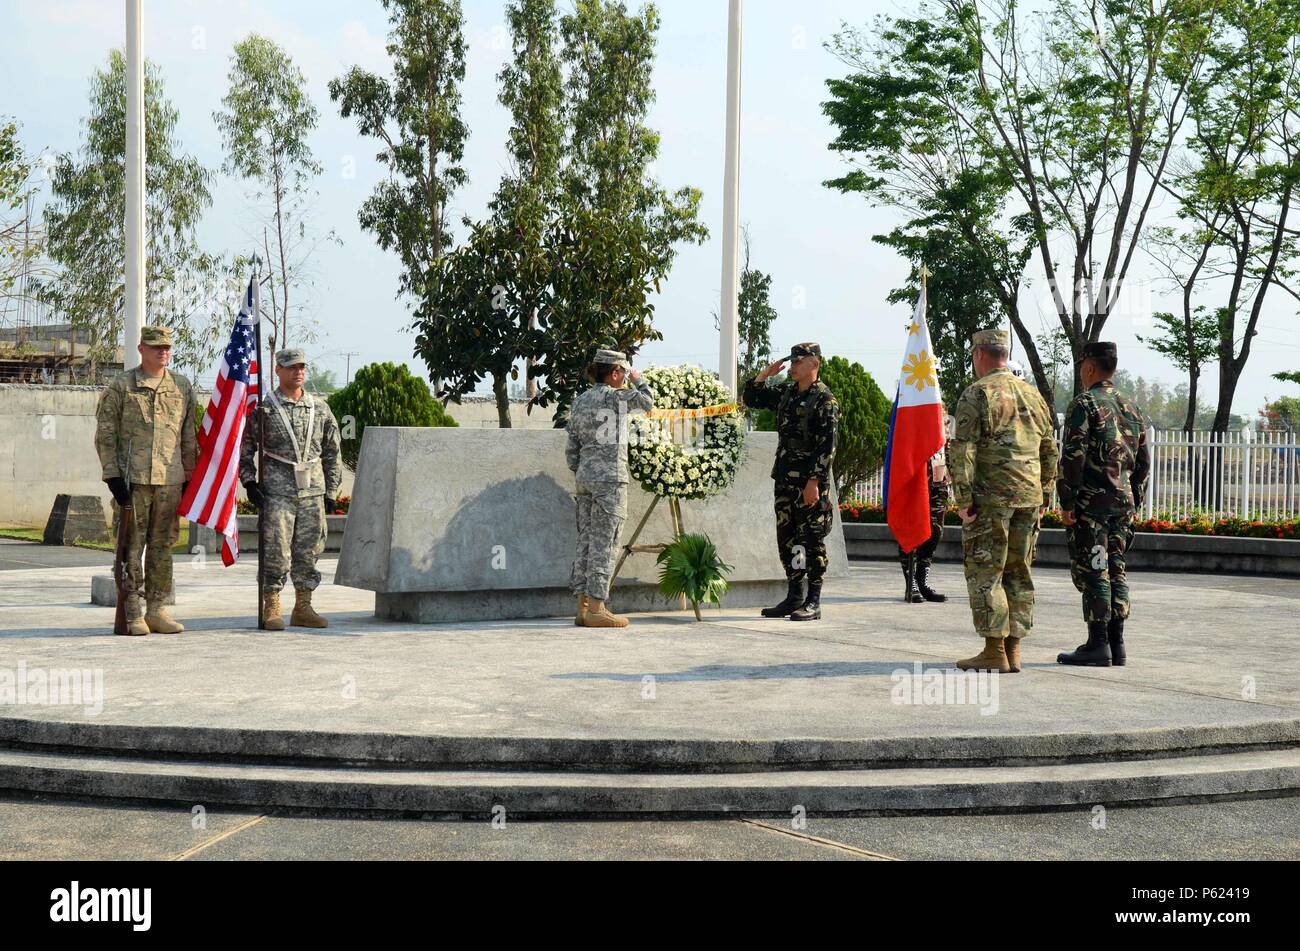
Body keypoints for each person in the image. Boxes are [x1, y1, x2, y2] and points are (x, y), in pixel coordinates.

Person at [948, 329, 1057, 672]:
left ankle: (994, 649)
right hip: (1029, 496)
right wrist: (1046, 493)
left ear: (980, 354)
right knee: (1019, 571)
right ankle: (1014, 650)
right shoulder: (1033, 395)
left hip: (991, 498)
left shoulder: (976, 394)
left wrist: (963, 497)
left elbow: (962, 449)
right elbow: (1049, 448)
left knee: (986, 571)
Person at [94, 325, 197, 636]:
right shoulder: (122, 387)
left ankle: (156, 609)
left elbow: (188, 437)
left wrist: (189, 477)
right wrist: (112, 476)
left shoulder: (181, 386)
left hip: (170, 480)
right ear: (141, 349)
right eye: (156, 347)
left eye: (167, 347)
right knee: (131, 547)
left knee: (162, 547)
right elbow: (105, 435)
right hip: (134, 481)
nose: (163, 351)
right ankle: (132, 609)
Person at [1056, 342, 1151, 667]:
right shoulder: (1132, 407)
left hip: (1092, 504)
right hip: (1122, 504)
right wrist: (1134, 496)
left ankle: (1098, 644)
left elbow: (1073, 455)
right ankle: (1117, 643)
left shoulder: (1084, 403)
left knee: (1096, 568)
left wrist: (1068, 499)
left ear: (1090, 368)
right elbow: (1143, 462)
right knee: (1116, 568)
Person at [239, 348, 343, 630]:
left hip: (312, 492)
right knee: (276, 550)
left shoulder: (319, 408)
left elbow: (333, 452)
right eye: (290, 367)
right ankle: (271, 603)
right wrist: (249, 482)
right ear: (278, 370)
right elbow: (245, 448)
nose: (297, 371)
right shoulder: (265, 408)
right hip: (278, 493)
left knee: (309, 550)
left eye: (301, 367)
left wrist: (331, 492)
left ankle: (304, 605)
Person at [742, 343, 840, 622]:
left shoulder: (825, 400)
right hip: (785, 478)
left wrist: (814, 481)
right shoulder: (787, 393)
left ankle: (814, 600)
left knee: (812, 540)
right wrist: (764, 375)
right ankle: (795, 594)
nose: (794, 366)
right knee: (789, 540)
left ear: (815, 364)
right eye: (792, 361)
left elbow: (828, 446)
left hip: (809, 482)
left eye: (800, 361)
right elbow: (752, 398)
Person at [566, 349, 655, 628]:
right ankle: (597, 608)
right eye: (624, 372)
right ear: (615, 372)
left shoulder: (580, 401)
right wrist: (639, 380)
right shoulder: (617, 397)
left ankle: (582, 607)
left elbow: (571, 449)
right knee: (606, 543)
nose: (625, 376)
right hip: (610, 481)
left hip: (585, 479)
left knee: (586, 541)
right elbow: (647, 402)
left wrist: (583, 470)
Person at [899, 451, 951, 604]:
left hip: (938, 469)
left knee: (936, 531)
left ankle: (921, 581)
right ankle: (911, 584)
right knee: (910, 530)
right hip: (914, 471)